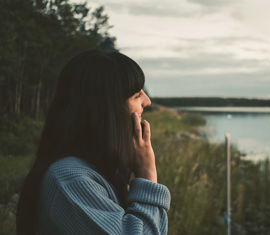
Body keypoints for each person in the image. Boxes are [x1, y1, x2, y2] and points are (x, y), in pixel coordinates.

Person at [16, 50, 170, 235]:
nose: (148, 101)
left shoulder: (94, 170)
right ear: (107, 112)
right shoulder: (71, 180)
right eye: (137, 95)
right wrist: (147, 174)